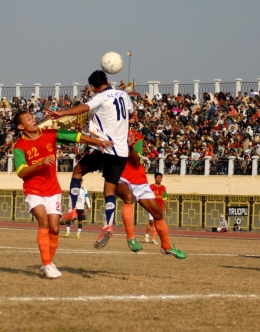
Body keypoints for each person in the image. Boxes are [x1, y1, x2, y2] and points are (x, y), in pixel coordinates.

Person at [13, 110, 111, 279]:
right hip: (33, 190)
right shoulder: (19, 146)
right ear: (21, 126)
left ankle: (48, 263)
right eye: (28, 119)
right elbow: (21, 172)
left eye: (32, 117)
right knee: (43, 223)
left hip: (53, 190)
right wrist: (40, 163)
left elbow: (76, 137)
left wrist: (97, 142)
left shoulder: (50, 134)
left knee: (55, 229)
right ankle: (46, 265)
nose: (33, 119)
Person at [47, 70, 134, 249]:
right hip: (122, 151)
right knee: (109, 191)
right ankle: (107, 225)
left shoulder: (100, 97)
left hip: (103, 147)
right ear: (107, 80)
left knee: (77, 171)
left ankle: (72, 210)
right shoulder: (124, 95)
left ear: (93, 87)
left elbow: (85, 107)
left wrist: (62, 113)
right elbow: (132, 113)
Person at [116, 127, 186, 258]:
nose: (134, 117)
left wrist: (130, 147)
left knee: (158, 214)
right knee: (128, 197)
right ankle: (131, 238)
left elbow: (137, 161)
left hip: (140, 181)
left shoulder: (137, 136)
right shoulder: (114, 131)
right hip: (122, 177)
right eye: (132, 116)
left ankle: (166, 246)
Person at [146, 173, 169, 243]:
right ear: (155, 178)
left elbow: (164, 199)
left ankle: (153, 239)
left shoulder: (163, 188)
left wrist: (167, 207)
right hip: (152, 207)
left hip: (159, 208)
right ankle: (147, 234)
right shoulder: (151, 187)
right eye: (157, 177)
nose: (159, 179)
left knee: (157, 223)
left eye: (160, 178)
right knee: (151, 222)